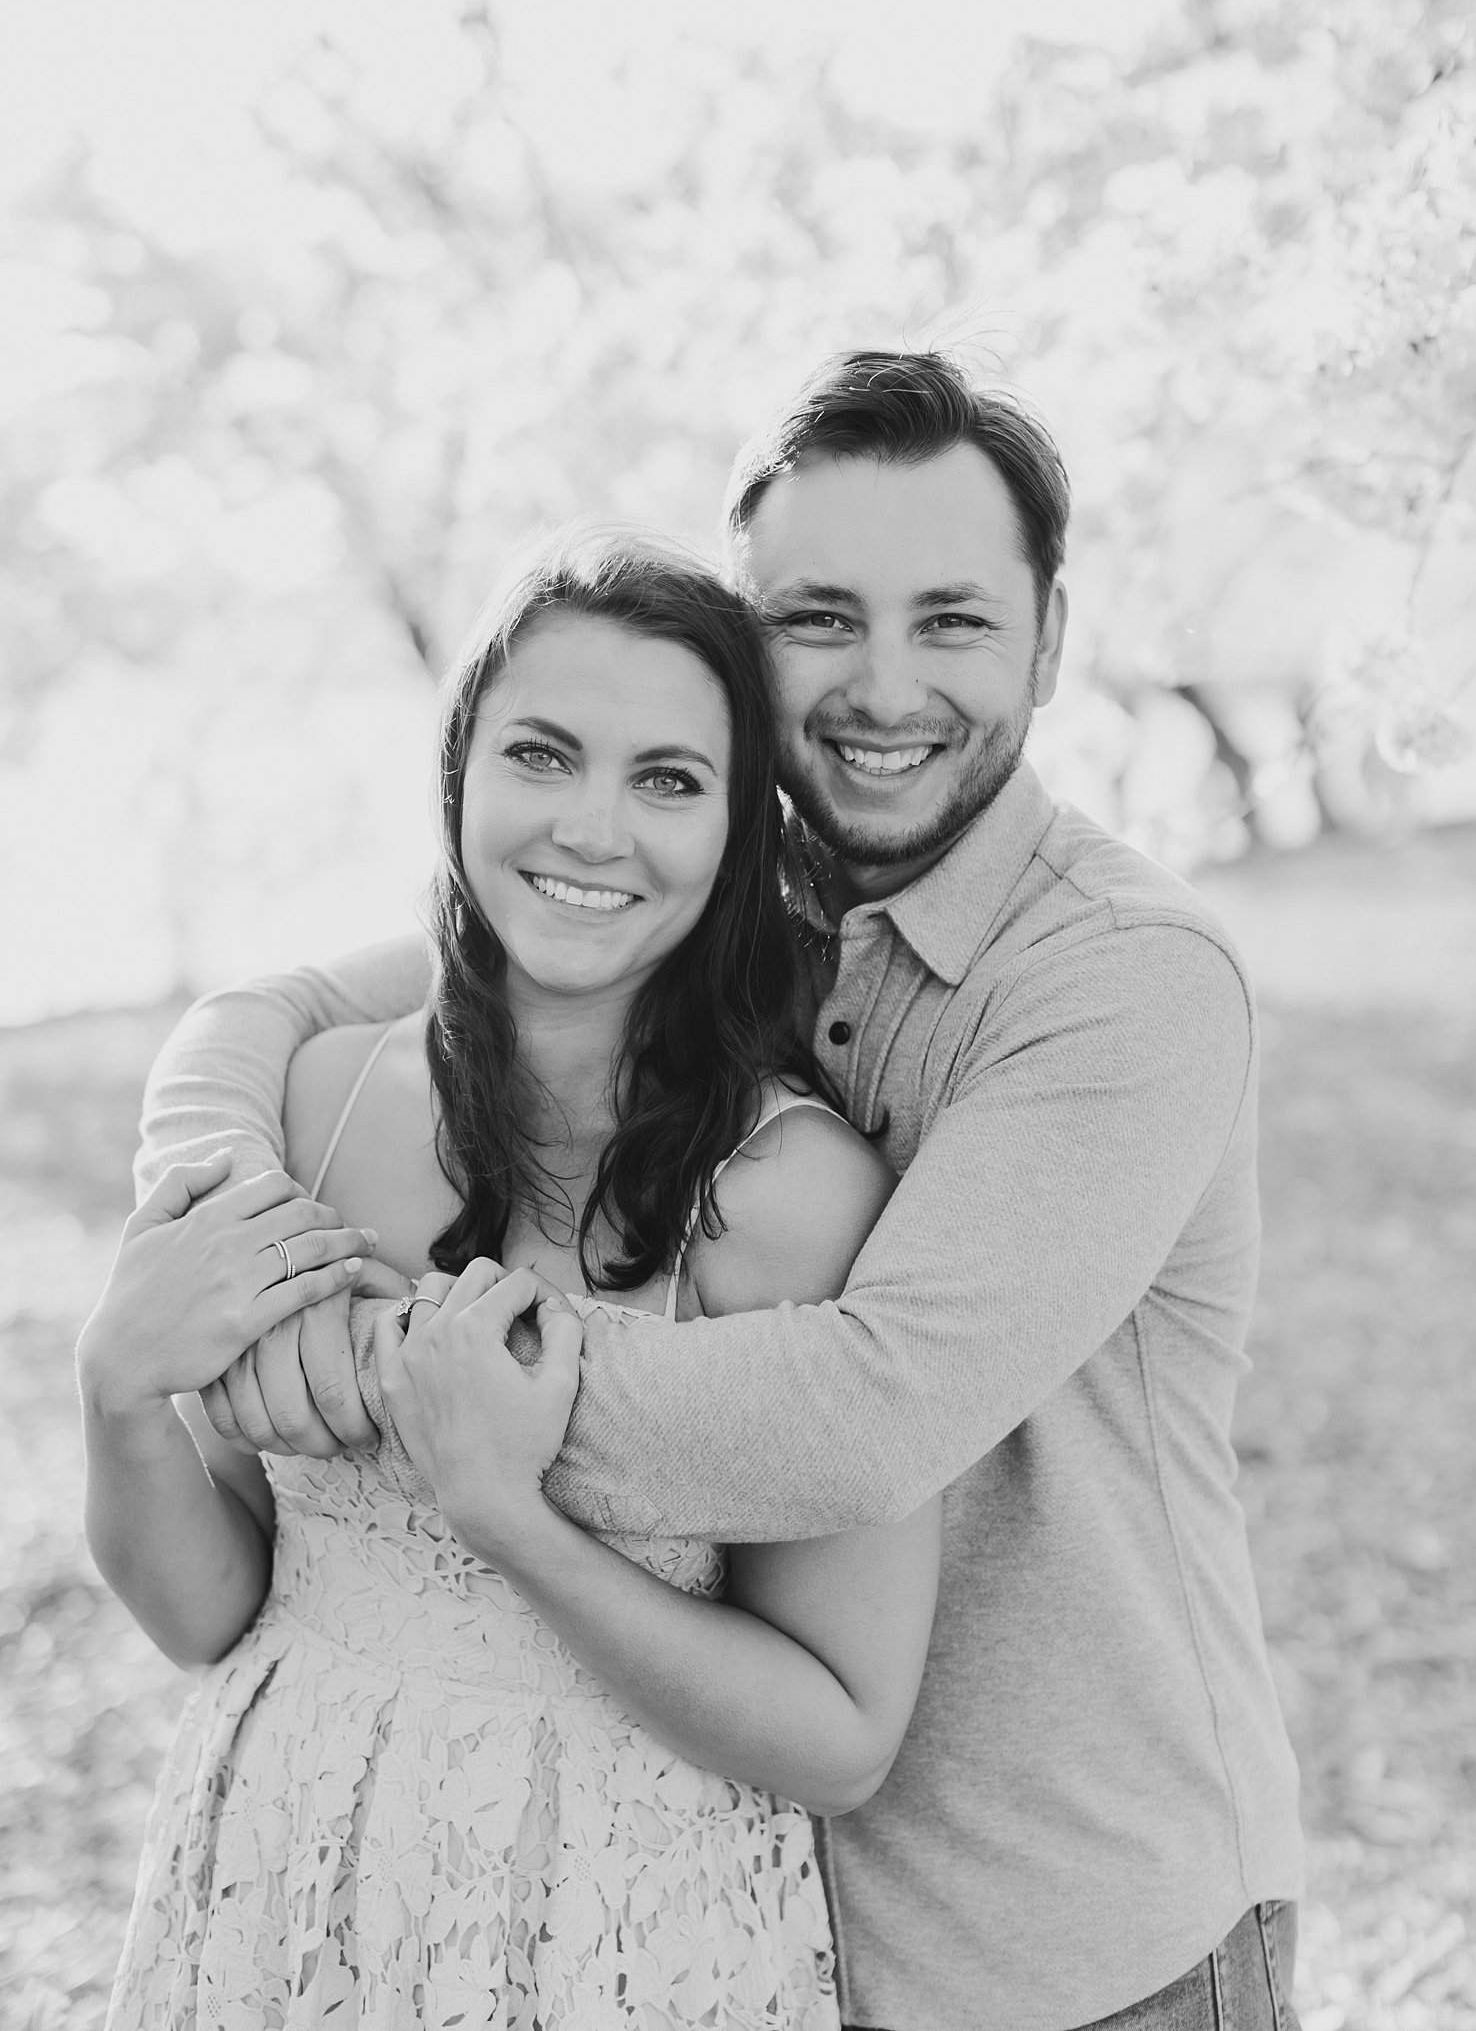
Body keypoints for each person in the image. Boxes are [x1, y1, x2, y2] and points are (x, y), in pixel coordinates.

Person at [133, 351, 1305, 2031]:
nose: (883, 687)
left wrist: (395, 1366)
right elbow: (296, 1008)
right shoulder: (711, 896)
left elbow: (865, 1411)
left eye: (954, 621)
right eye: (819, 616)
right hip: (733, 1905)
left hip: (1067, 1923)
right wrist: (205, 1207)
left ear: (1052, 638)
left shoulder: (1124, 981)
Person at [81, 537, 942, 2029]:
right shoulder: (320, 1105)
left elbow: (841, 1735)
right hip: (283, 1876)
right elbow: (210, 1609)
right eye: (543, 753)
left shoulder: (792, 1199)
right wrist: (116, 1394)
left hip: (623, 1918)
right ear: (459, 770)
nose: (594, 830)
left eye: (669, 779)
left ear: (741, 830)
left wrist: (514, 1521)